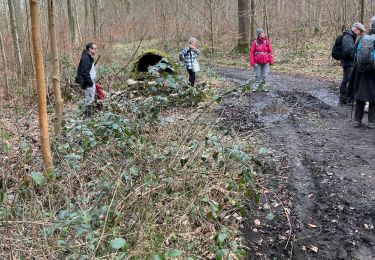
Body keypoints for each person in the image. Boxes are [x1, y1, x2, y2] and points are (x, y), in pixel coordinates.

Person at [348, 20, 375, 128]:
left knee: (360, 95)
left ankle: (357, 120)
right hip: (374, 72)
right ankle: (372, 122)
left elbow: (354, 53)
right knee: (374, 96)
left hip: (361, 71)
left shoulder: (362, 38)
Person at [339, 22, 365, 104]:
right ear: (356, 29)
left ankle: (343, 99)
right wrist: (355, 57)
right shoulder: (348, 37)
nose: (360, 34)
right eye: (360, 31)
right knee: (350, 81)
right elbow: (348, 50)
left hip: (346, 62)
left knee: (346, 80)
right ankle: (349, 100)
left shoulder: (349, 36)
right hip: (348, 62)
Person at [75, 43, 98, 117]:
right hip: (88, 82)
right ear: (90, 49)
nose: (96, 50)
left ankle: (88, 115)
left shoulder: (88, 56)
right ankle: (88, 117)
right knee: (89, 99)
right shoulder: (86, 58)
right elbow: (84, 72)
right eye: (94, 49)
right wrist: (90, 83)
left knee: (90, 98)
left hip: (89, 81)